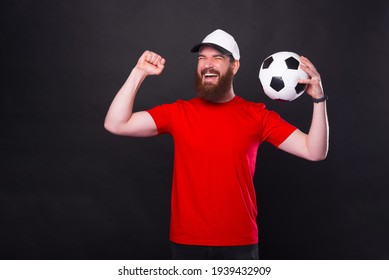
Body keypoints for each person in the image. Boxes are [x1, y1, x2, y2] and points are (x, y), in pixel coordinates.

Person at [104, 29, 329, 260]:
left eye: (217, 57)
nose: (207, 64)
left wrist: (319, 99)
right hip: (186, 243)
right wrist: (139, 72)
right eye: (202, 58)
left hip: (240, 244)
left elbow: (315, 151)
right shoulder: (178, 112)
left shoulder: (258, 116)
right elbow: (116, 124)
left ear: (235, 66)